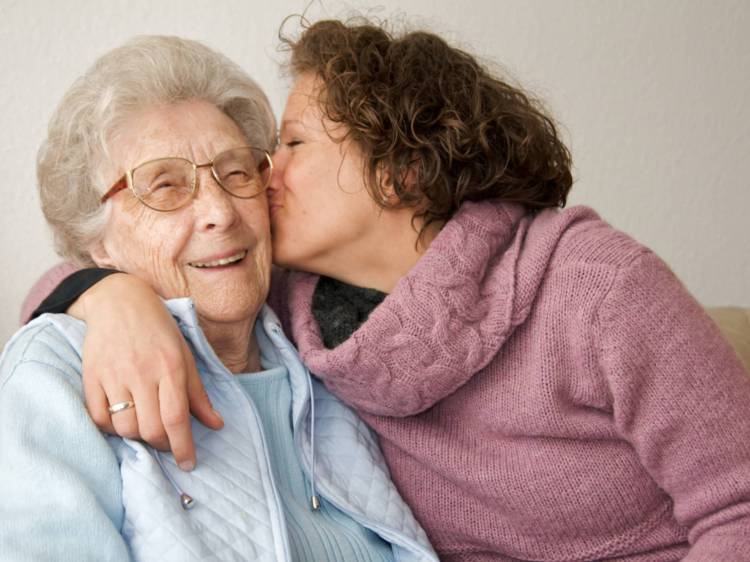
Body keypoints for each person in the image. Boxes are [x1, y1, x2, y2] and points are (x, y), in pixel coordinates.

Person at [26, 19, 750, 561]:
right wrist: (109, 297)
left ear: (401, 170)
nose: (257, 182)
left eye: (292, 147)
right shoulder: (292, 309)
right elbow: (90, 273)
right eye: (168, 186)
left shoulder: (596, 290)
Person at [0, 35, 437, 562]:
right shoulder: (56, 374)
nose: (220, 212)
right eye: (164, 186)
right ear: (97, 242)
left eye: (235, 173)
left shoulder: (332, 351)